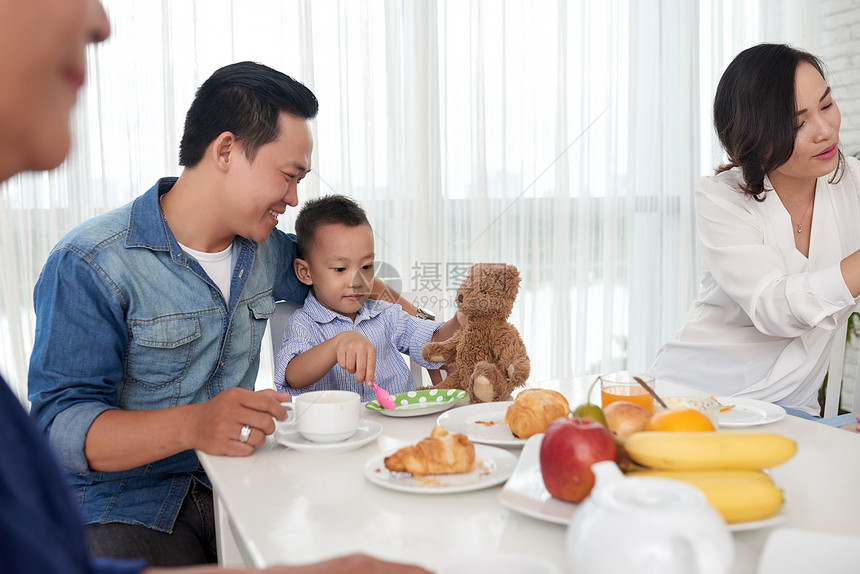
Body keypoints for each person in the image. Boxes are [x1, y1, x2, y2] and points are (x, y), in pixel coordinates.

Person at [17, 13, 427, 571]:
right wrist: (193, 423)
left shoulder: (270, 252)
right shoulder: (91, 262)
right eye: (288, 175)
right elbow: (58, 426)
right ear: (227, 150)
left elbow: (351, 280)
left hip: (245, 482)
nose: (294, 198)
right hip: (124, 509)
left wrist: (432, 333)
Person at [651, 43, 860, 429]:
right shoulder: (721, 198)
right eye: (799, 124)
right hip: (696, 401)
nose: (826, 130)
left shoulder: (853, 185)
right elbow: (774, 308)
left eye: (827, 105)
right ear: (757, 137)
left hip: (792, 414)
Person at [274, 195, 459, 400]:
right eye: (340, 269)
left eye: (366, 266)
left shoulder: (386, 314)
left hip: (396, 425)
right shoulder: (304, 323)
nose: (357, 280)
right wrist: (337, 344)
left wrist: (460, 320)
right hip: (340, 429)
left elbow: (433, 339)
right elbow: (293, 376)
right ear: (305, 273)